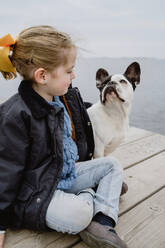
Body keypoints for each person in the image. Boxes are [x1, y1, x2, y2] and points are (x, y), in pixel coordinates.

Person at [0, 26, 128, 248]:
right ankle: (92, 195)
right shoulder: (17, 115)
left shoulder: (58, 98)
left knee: (112, 165)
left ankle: (103, 219)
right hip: (37, 193)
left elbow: (80, 123)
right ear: (43, 76)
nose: (74, 75)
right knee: (79, 214)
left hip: (63, 174)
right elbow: (6, 169)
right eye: (69, 71)